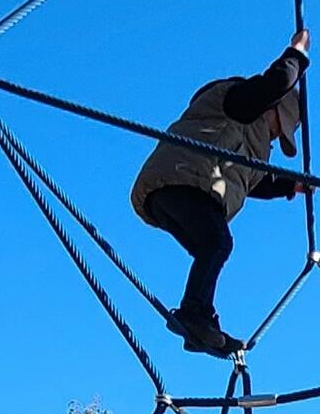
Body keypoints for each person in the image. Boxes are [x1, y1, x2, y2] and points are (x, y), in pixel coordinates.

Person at [131, 30, 310, 359]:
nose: (275, 134)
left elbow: (255, 182)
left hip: (180, 195)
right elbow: (272, 85)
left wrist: (290, 186)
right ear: (271, 108)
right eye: (278, 125)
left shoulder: (257, 149)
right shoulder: (237, 101)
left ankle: (199, 328)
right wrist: (296, 55)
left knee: (211, 247)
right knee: (217, 243)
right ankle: (194, 315)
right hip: (179, 179)